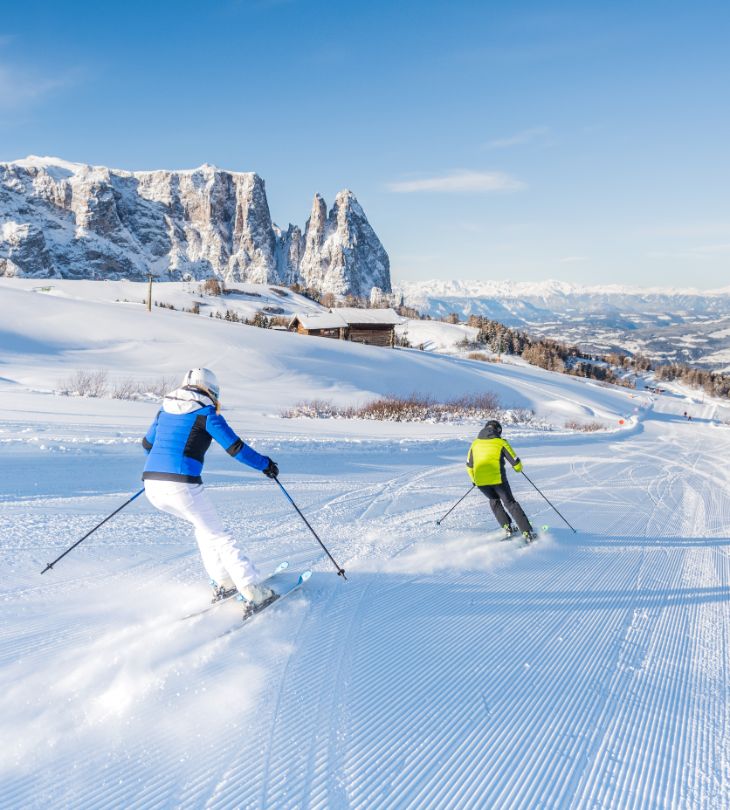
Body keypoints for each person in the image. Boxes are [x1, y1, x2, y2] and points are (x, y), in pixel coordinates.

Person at [142, 368, 280, 608]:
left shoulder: (164, 409)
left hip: (152, 485)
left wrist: (163, 467)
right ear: (211, 391)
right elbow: (235, 448)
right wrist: (265, 464)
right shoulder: (206, 413)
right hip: (180, 486)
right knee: (220, 535)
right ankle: (252, 589)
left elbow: (147, 445)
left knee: (204, 528)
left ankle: (224, 582)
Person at [466, 419, 537, 541]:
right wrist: (518, 467)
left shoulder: (475, 444)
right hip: (498, 480)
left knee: (494, 501)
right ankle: (527, 532)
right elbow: (516, 464)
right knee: (510, 503)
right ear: (498, 431)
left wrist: (474, 480)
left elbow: (469, 466)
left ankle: (507, 527)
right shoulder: (501, 442)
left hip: (481, 482)